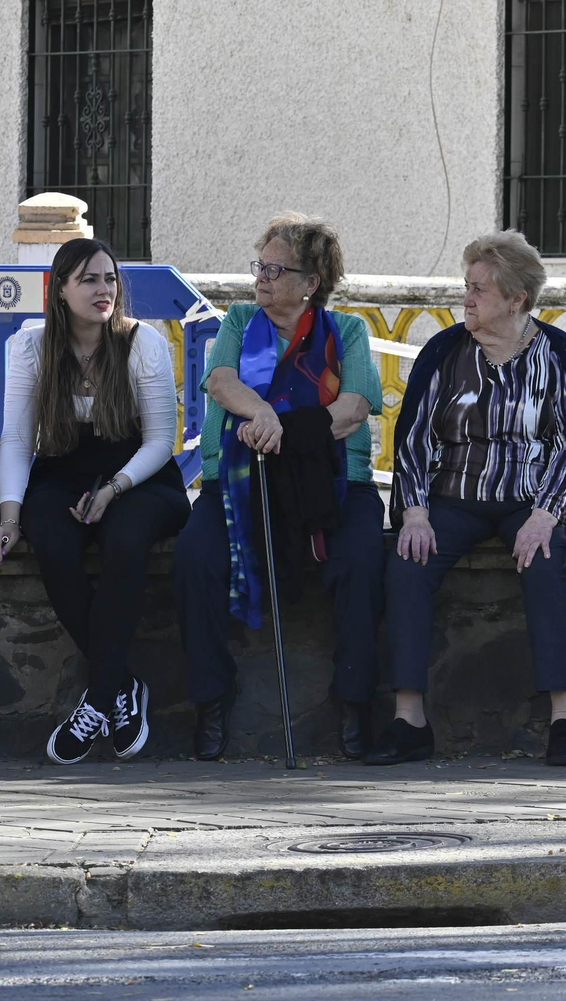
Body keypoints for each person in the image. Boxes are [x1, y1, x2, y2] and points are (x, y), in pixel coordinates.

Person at [370, 230, 566, 767]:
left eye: (479, 289)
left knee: (543, 560)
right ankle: (410, 721)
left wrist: (546, 515)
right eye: (467, 286)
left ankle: (564, 720)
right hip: (453, 496)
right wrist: (416, 512)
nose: (467, 299)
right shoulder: (446, 352)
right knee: (407, 560)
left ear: (516, 299)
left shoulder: (560, 355)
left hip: (531, 497)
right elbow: (413, 438)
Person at [174, 213, 384, 761]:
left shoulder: (348, 332)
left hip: (333, 483)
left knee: (361, 562)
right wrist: (264, 411)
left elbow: (355, 407)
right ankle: (211, 698)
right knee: (197, 557)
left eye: (276, 268)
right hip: (242, 480)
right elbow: (221, 381)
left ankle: (354, 701)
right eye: (260, 266)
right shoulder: (241, 320)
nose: (262, 278)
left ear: (310, 281)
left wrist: (282, 430)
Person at [0, 238, 189, 765]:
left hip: (141, 478)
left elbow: (160, 441)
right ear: (58, 290)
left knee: (125, 539)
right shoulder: (31, 347)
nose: (105, 291)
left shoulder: (142, 342)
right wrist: (9, 516)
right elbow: (16, 442)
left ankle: (99, 697)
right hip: (63, 473)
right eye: (89, 280)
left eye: (110, 279)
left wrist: (114, 488)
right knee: (50, 540)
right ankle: (121, 686)